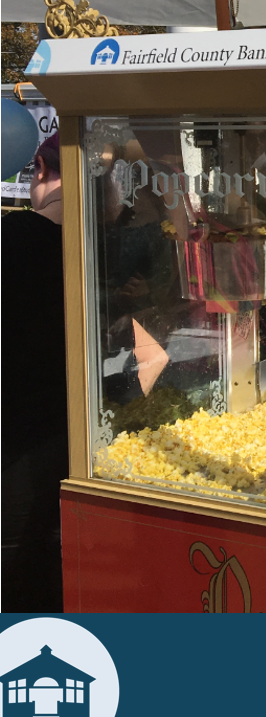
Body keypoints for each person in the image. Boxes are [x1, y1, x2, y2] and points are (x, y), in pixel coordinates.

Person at [1, 132, 67, 611]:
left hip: (17, 440)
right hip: (74, 438)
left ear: (39, 171)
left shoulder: (12, 239)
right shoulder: (100, 248)